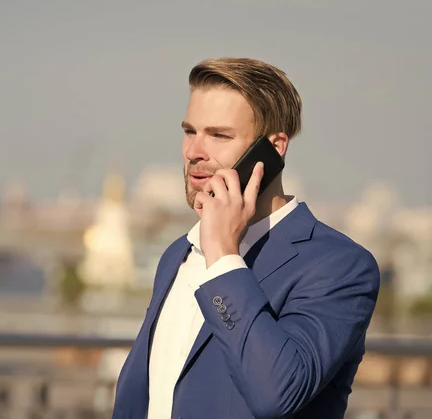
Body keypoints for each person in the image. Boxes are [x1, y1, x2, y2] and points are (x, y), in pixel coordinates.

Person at [112, 58, 380, 419]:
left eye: (219, 135)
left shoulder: (340, 267)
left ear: (274, 149)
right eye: (190, 131)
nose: (193, 152)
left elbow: (278, 393)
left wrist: (223, 255)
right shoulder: (179, 253)